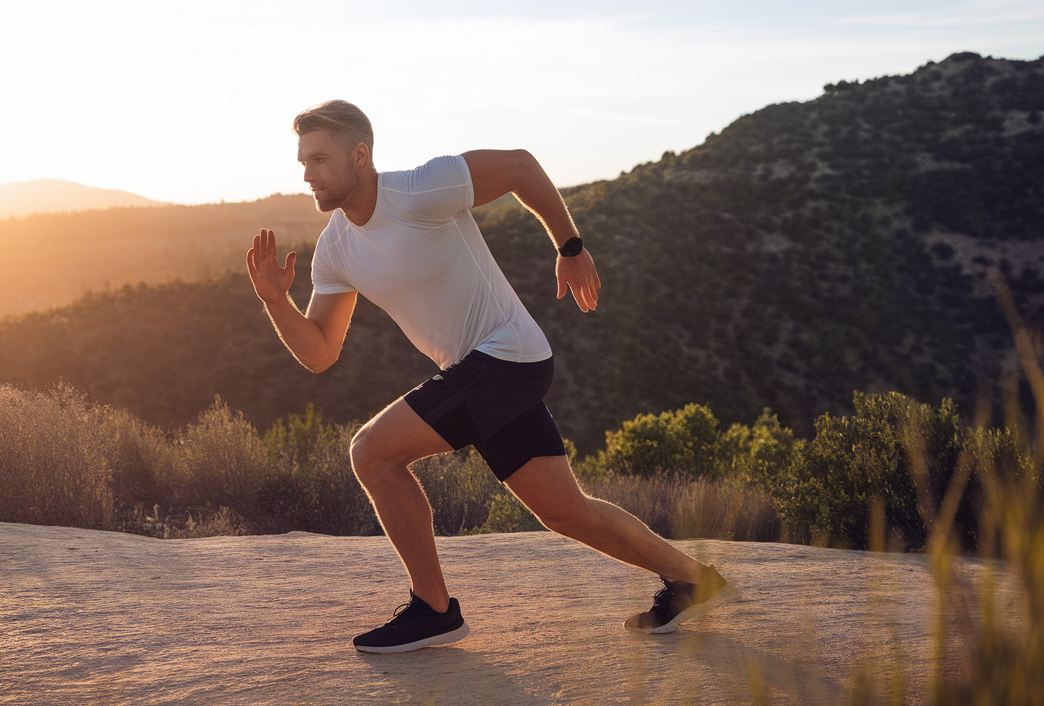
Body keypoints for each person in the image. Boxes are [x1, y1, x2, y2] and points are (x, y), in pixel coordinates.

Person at [247, 100, 735, 654]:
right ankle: (693, 578)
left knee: (372, 453)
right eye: (302, 161)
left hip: (506, 356)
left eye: (319, 159)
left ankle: (434, 609)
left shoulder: (422, 189)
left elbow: (521, 167)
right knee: (564, 511)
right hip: (489, 371)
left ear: (361, 155)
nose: (307, 173)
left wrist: (569, 246)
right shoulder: (335, 249)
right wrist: (276, 302)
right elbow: (319, 352)